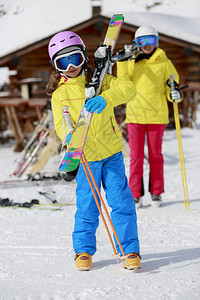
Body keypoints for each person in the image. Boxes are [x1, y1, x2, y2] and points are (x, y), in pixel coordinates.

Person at [46, 31, 141, 271]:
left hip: (111, 154)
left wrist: (106, 98)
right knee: (87, 206)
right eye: (63, 62)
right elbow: (59, 125)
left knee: (121, 202)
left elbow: (129, 88)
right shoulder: (60, 95)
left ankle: (129, 250)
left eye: (75, 59)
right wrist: (69, 136)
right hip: (85, 157)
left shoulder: (102, 80)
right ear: (56, 66)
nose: (71, 66)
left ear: (84, 58)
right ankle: (83, 251)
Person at [117, 25, 183, 209]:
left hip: (157, 115)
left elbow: (172, 86)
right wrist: (122, 62)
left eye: (150, 41)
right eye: (142, 41)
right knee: (136, 157)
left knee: (155, 155)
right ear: (136, 43)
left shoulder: (164, 62)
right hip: (135, 115)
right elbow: (124, 85)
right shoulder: (131, 62)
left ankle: (156, 192)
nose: (146, 45)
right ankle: (135, 194)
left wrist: (175, 94)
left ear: (157, 41)